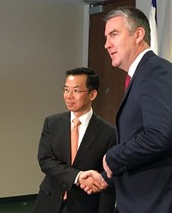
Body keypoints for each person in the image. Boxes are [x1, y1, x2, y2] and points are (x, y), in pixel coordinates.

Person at [83, 6, 172, 213]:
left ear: (138, 34)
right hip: (146, 199)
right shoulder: (142, 74)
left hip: (162, 201)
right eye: (106, 37)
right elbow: (139, 139)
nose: (107, 44)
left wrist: (113, 157)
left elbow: (159, 135)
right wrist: (107, 176)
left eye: (114, 34)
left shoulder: (155, 71)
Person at [33, 67, 116, 213]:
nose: (69, 96)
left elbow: (108, 178)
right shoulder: (52, 123)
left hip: (84, 205)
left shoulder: (108, 132)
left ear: (92, 94)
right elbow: (45, 160)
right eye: (66, 90)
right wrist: (77, 176)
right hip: (49, 201)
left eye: (76, 91)